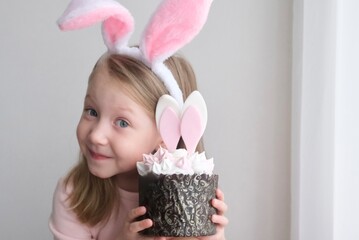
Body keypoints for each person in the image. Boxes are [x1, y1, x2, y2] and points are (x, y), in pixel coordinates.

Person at [49, 52, 228, 240]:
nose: (96, 136)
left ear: (166, 134)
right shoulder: (74, 194)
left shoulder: (190, 194)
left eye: (122, 123)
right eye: (92, 111)